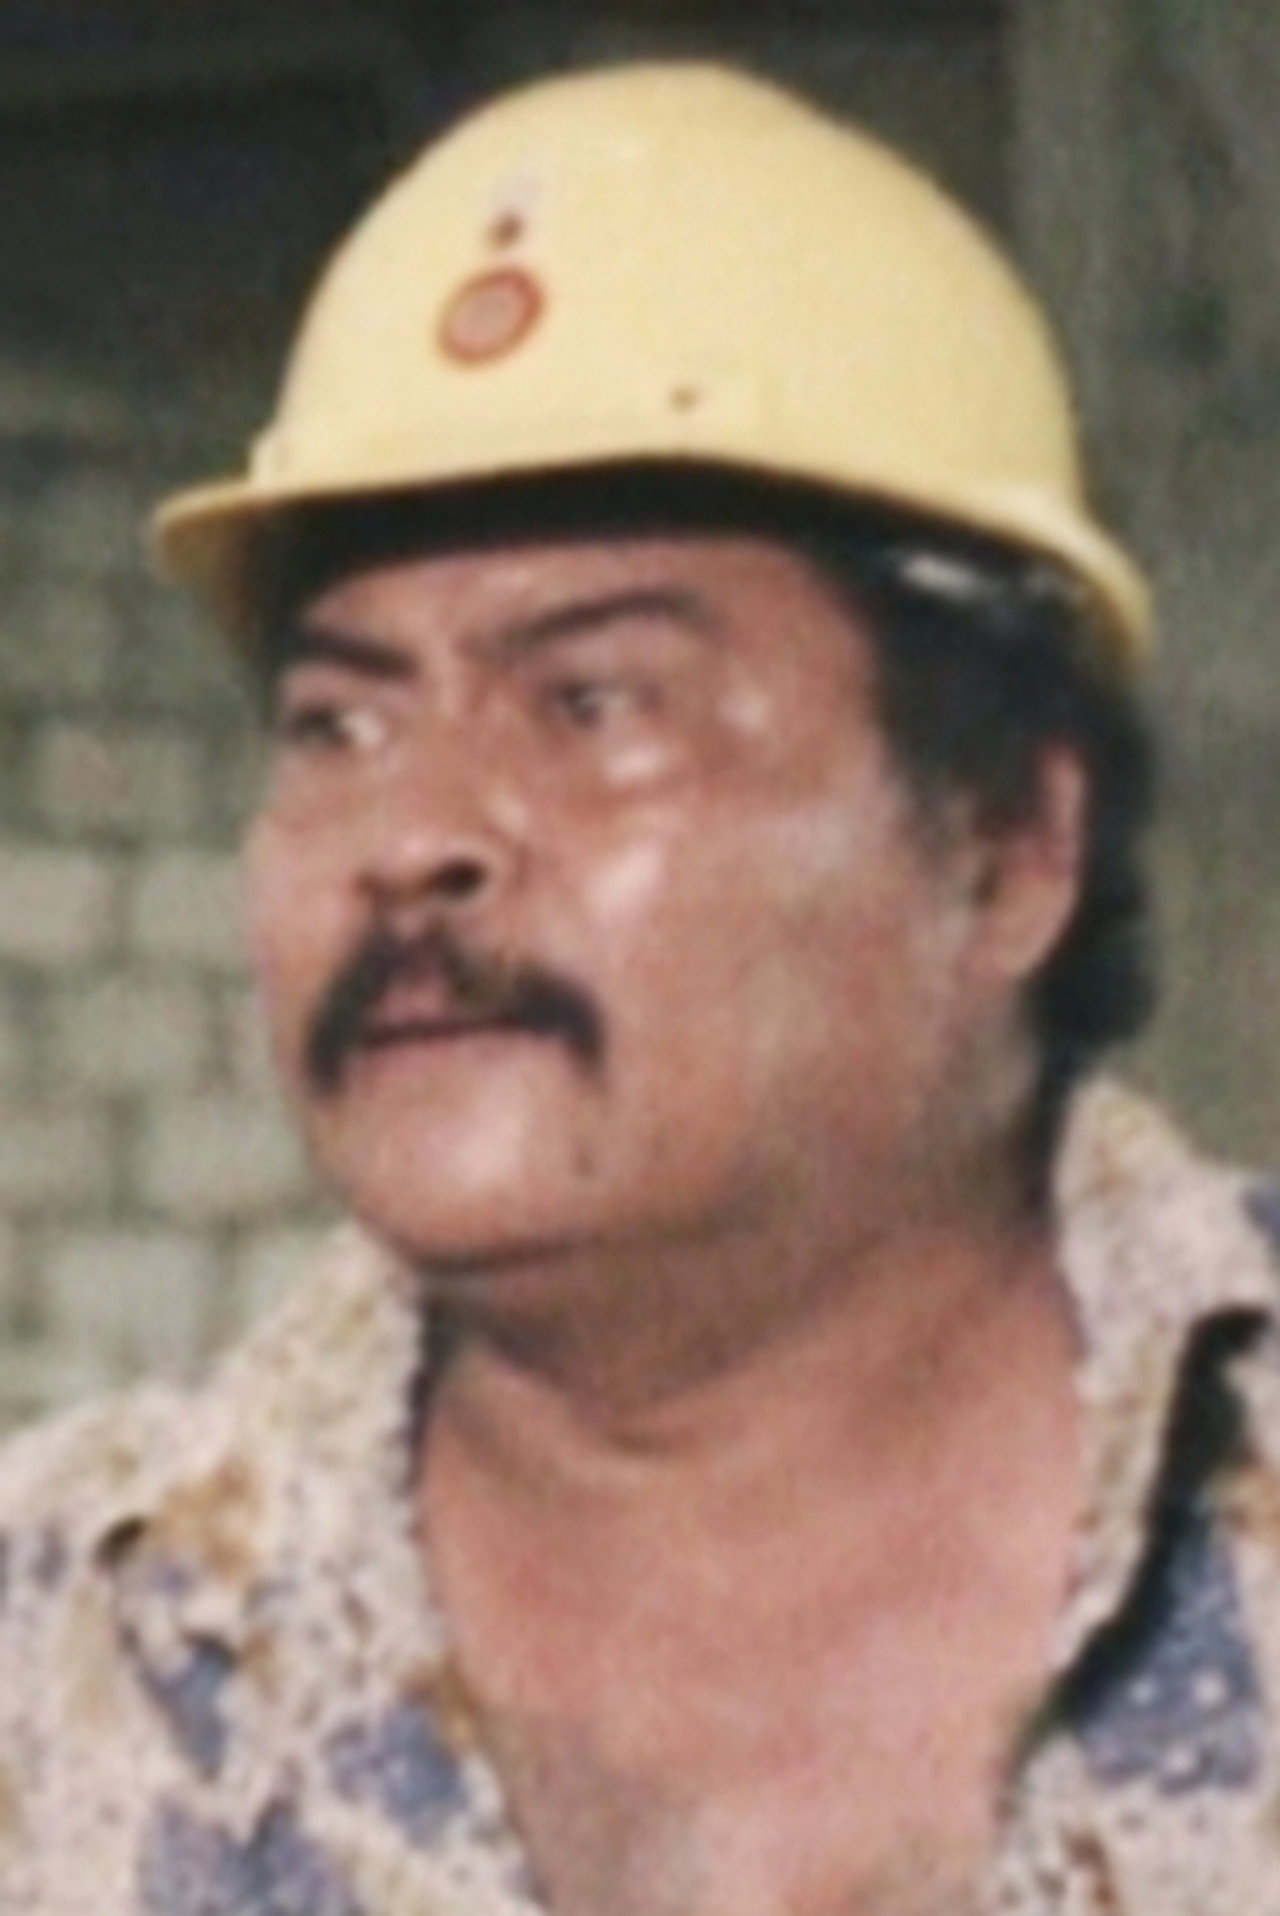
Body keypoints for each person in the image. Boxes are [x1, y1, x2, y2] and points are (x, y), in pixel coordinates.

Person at [1, 60, 1278, 1916]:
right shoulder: (72, 1675)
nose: (412, 834)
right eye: (339, 723)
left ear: (1007, 844)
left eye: (592, 703)